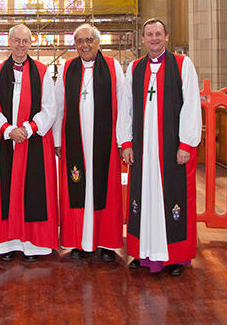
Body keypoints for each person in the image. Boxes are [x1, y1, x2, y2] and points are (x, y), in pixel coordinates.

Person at [116, 18, 202, 276]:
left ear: (166, 37)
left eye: (158, 34)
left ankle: (174, 257)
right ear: (142, 39)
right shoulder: (134, 68)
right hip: (142, 148)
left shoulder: (182, 64)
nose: (153, 38)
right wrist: (126, 142)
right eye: (149, 34)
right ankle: (143, 252)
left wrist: (186, 143)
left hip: (172, 147)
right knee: (142, 198)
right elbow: (126, 108)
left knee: (173, 199)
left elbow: (191, 106)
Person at [0, 23, 58, 262]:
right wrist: (8, 130)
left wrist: (28, 128)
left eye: (25, 41)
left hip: (33, 141)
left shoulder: (43, 72)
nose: (20, 45)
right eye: (16, 40)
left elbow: (50, 108)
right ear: (9, 42)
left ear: (31, 43)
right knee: (4, 191)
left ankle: (34, 245)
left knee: (34, 191)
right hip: (5, 140)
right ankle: (6, 244)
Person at [53, 24, 125, 262]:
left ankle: (106, 243)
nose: (84, 45)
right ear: (75, 45)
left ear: (98, 42)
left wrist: (123, 139)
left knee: (105, 191)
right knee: (77, 189)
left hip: (105, 143)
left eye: (89, 40)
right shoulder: (67, 69)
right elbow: (58, 107)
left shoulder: (113, 67)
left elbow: (125, 104)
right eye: (80, 41)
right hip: (75, 142)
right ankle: (78, 242)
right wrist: (56, 140)